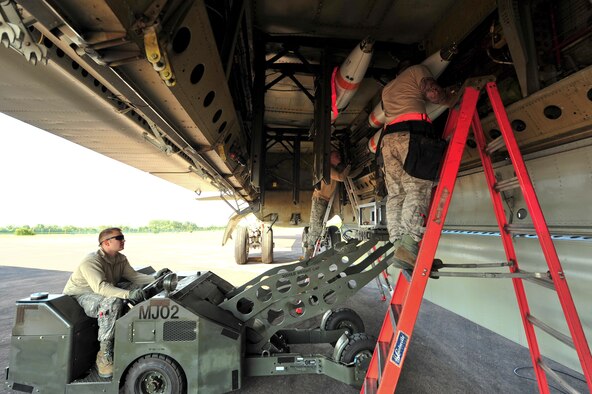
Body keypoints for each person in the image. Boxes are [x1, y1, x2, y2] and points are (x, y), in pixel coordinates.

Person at [63, 227, 171, 378]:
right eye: (119, 238)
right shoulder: (91, 261)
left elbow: (134, 277)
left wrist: (155, 279)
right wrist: (128, 294)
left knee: (140, 288)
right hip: (82, 295)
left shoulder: (120, 258)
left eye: (123, 237)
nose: (123, 240)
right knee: (112, 303)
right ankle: (104, 355)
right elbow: (100, 287)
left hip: (104, 291)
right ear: (106, 242)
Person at [379, 64, 453, 268]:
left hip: (388, 140)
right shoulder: (415, 71)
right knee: (417, 188)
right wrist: (451, 99)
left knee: (396, 194)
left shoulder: (387, 89)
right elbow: (432, 92)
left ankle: (399, 247)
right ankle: (409, 247)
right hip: (411, 136)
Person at [304, 150, 350, 259]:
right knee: (316, 224)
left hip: (326, 200)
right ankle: (309, 250)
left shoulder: (332, 169)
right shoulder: (328, 169)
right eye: (336, 156)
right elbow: (341, 177)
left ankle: (311, 246)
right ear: (330, 158)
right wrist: (349, 166)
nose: (339, 158)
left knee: (320, 224)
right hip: (320, 199)